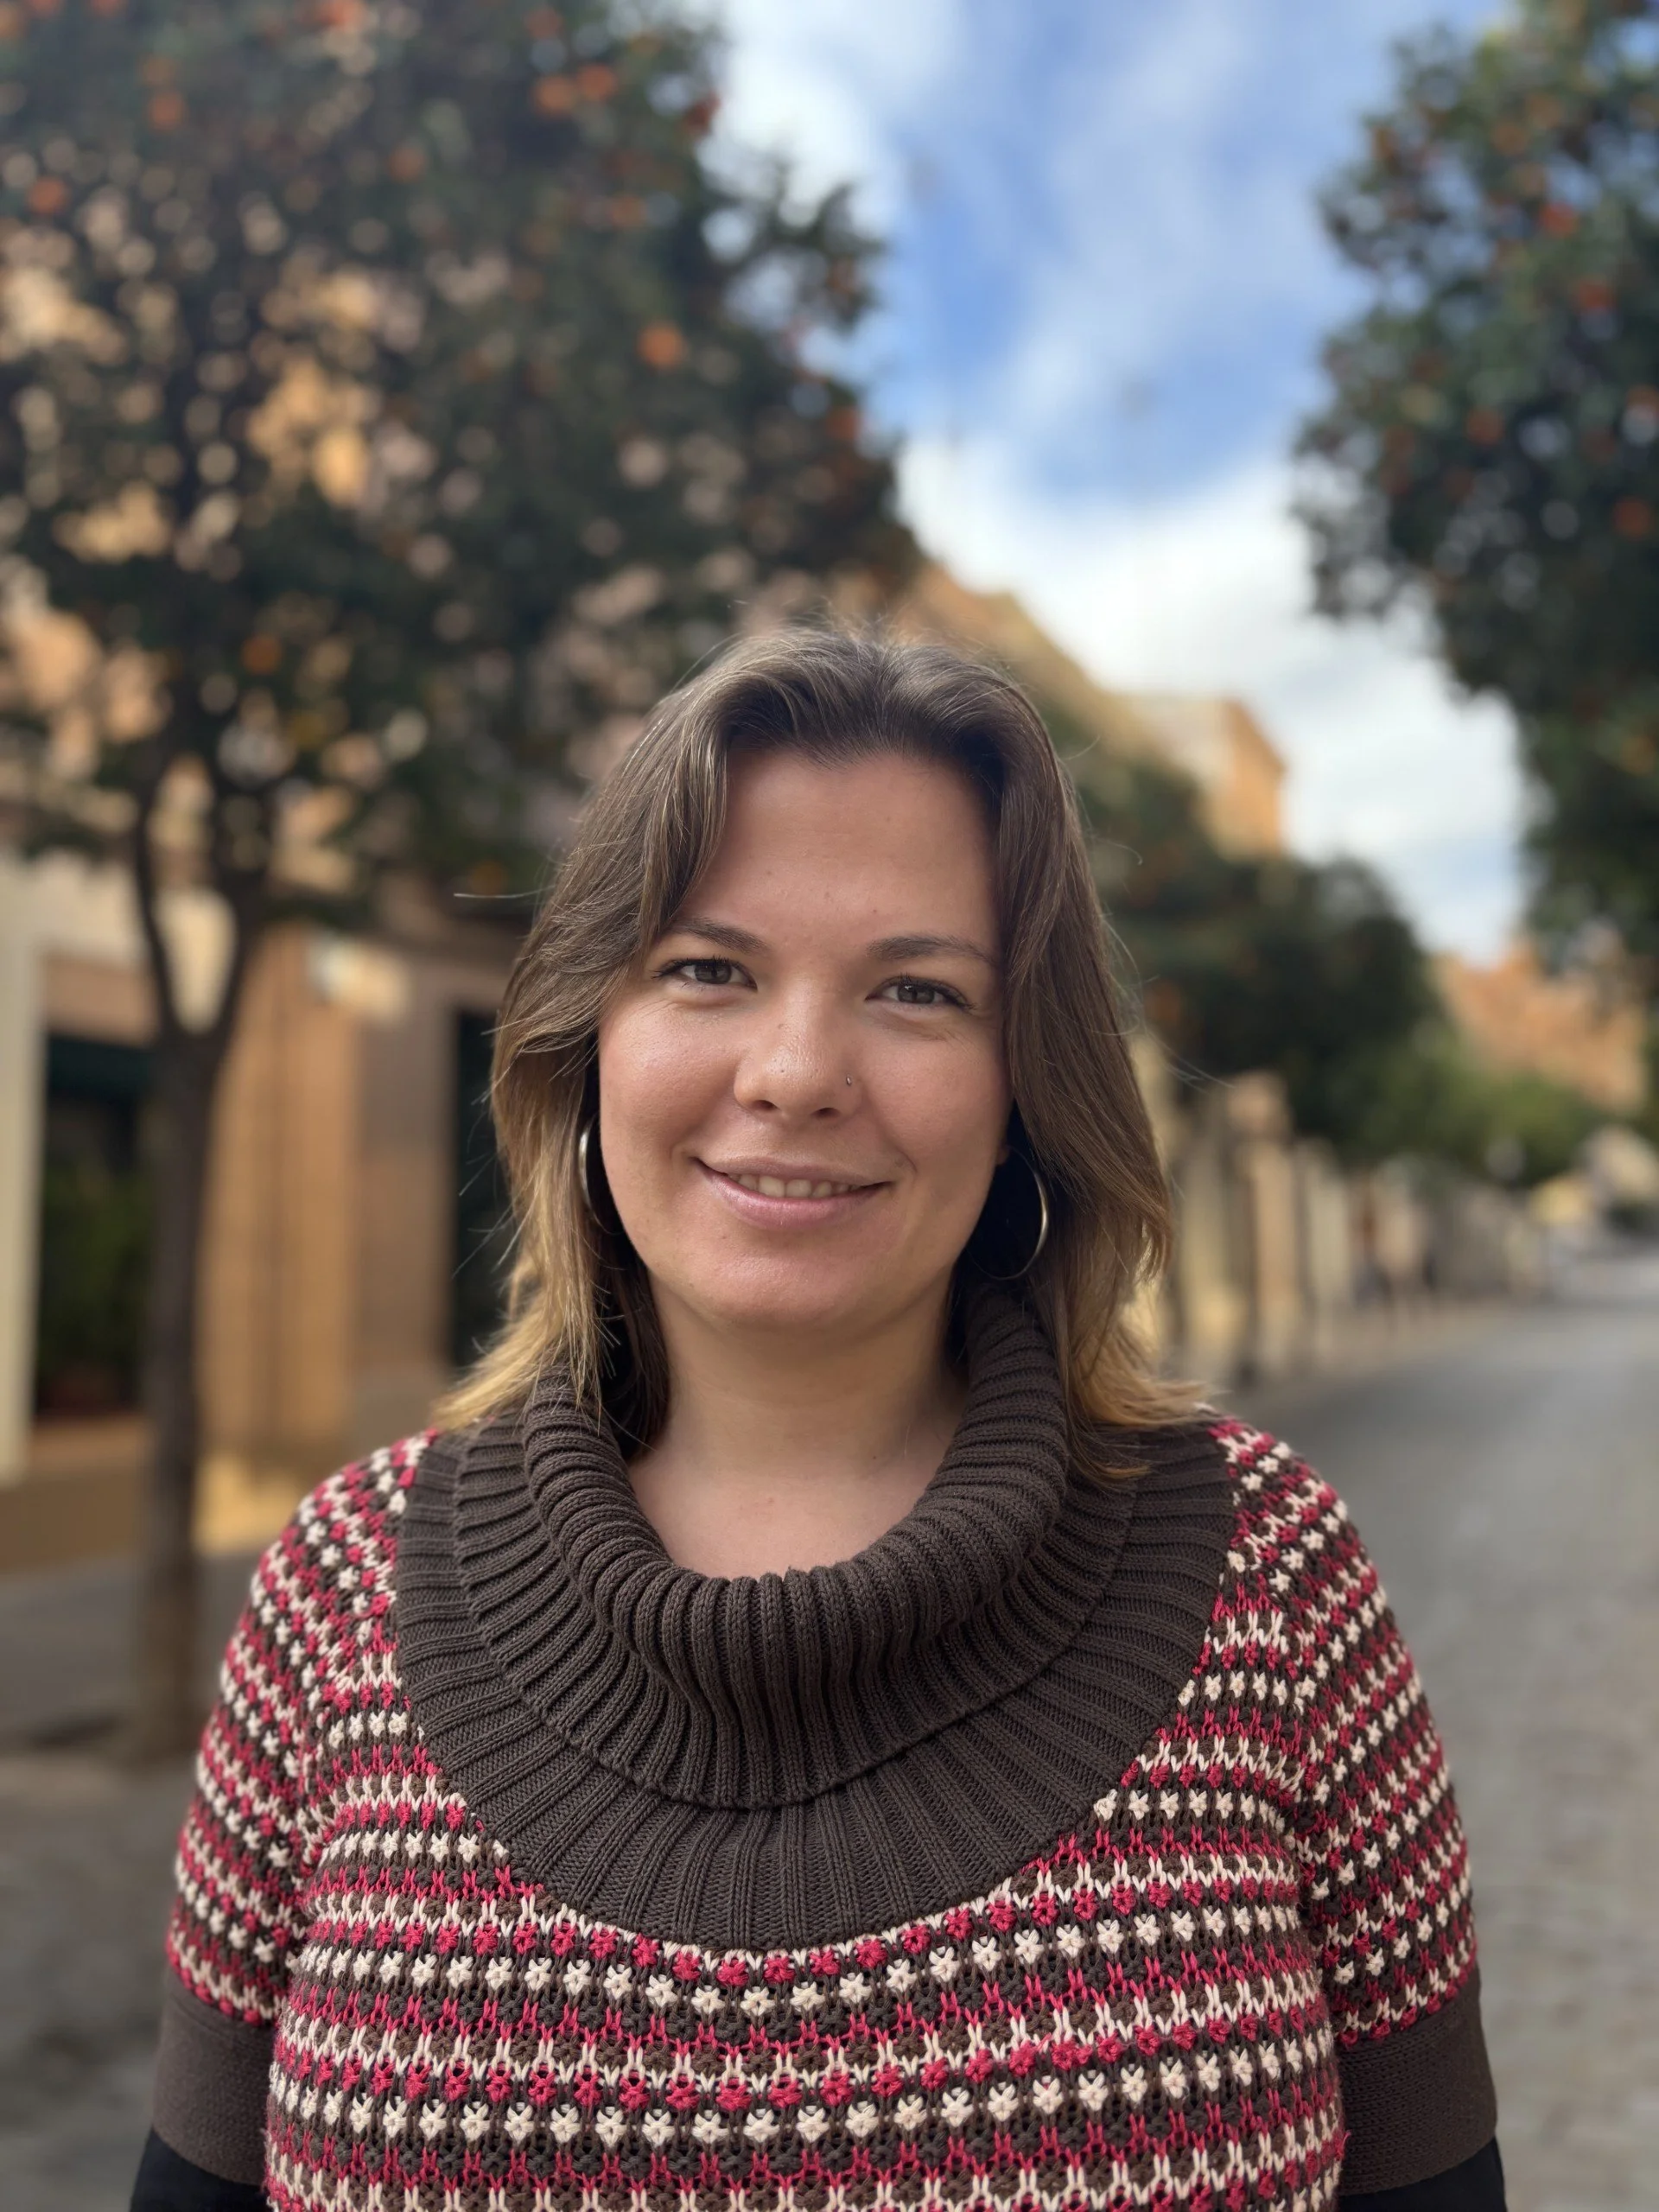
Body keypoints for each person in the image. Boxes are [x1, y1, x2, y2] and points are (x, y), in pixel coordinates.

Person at [132, 629, 1504, 2209]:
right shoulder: (338, 1592)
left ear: (1024, 1086)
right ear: (589, 1041)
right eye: (708, 969)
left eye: (918, 991)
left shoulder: (1275, 1581)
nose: (796, 1074)